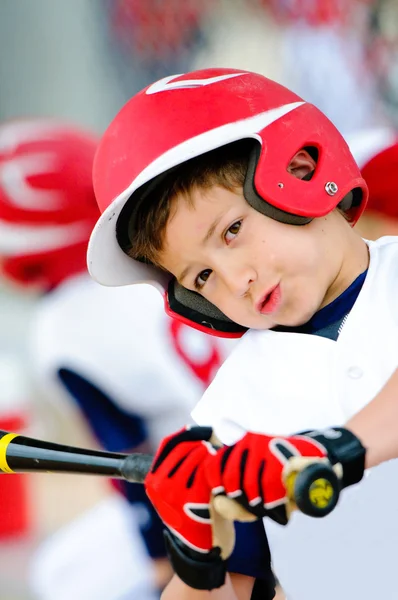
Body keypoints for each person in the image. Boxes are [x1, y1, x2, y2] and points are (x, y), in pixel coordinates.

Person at [86, 67, 398, 600]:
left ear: (300, 168)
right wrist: (196, 559)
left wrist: (330, 449)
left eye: (232, 231)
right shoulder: (231, 413)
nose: (235, 281)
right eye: (201, 276)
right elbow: (241, 587)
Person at [0, 117, 261, 600]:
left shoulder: (62, 326)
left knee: (61, 576)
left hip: (207, 487)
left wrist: (161, 561)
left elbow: (124, 454)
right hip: (273, 451)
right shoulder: (158, 258)